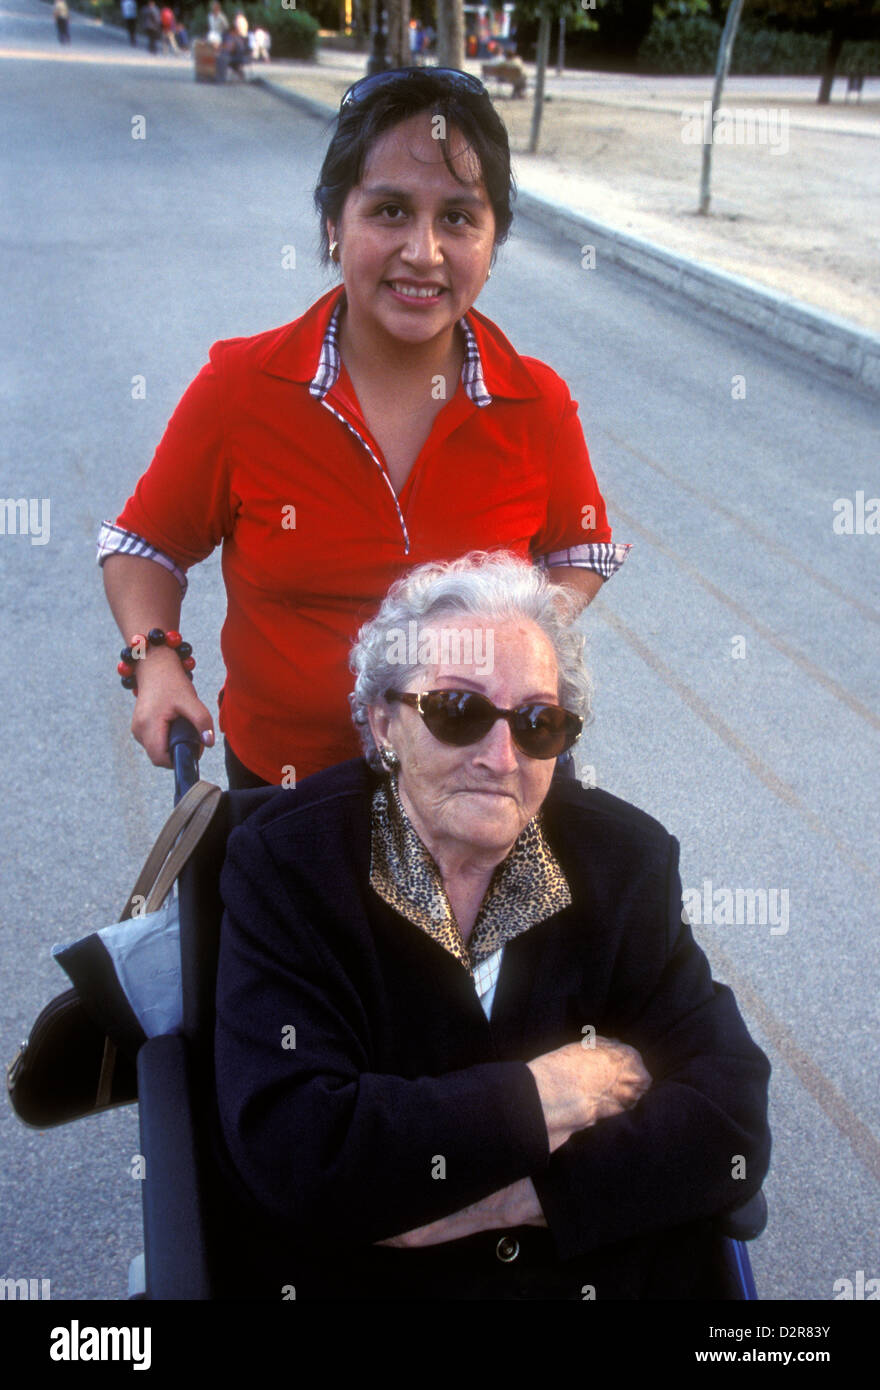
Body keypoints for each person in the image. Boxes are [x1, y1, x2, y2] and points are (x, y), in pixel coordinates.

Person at [214, 552, 772, 1300]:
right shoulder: (289, 867)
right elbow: (300, 1149)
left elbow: (730, 1119)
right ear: (383, 722)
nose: (500, 757)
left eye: (538, 722)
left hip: (583, 1267)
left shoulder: (624, 861)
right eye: (458, 710)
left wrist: (507, 1199)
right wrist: (555, 1094)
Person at [99, 69, 629, 790]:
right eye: (389, 211)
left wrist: (507, 649)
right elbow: (146, 547)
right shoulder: (242, 387)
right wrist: (155, 659)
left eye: (458, 218)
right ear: (333, 224)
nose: (424, 252)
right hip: (292, 792)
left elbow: (582, 547)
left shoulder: (535, 402)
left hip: (485, 787)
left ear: (493, 237)